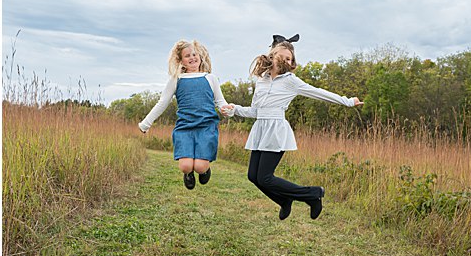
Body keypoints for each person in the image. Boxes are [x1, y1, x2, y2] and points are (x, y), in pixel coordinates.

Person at [221, 35, 359, 221]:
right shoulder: (261, 80)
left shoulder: (291, 81)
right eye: (283, 57)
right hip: (260, 129)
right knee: (253, 176)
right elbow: (255, 111)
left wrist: (348, 101)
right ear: (272, 55)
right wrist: (234, 109)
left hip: (276, 131)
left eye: (290, 59)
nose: (287, 61)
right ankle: (284, 200)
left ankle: (313, 194)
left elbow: (318, 93)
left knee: (265, 178)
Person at [138, 40, 230, 191]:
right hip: (185, 127)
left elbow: (220, 102)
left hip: (206, 127)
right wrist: (146, 123)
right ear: (181, 61)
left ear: (200, 56)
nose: (192, 58)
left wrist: (228, 109)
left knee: (200, 167)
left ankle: (204, 170)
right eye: (187, 56)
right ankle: (188, 173)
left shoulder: (210, 78)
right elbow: (162, 103)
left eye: (194, 54)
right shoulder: (176, 80)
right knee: (186, 166)